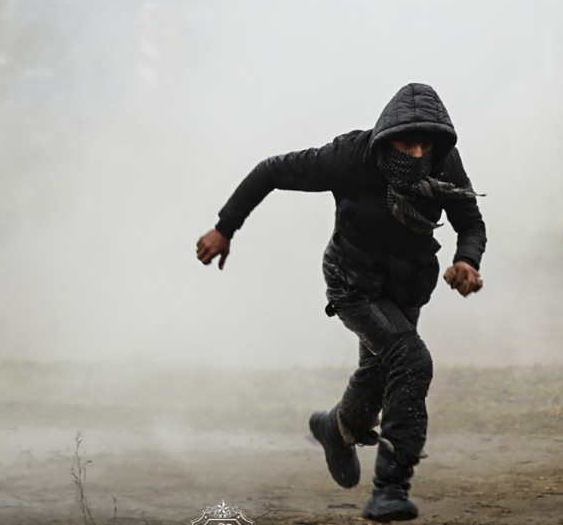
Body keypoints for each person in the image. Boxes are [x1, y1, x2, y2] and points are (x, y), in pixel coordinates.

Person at [195, 82, 486, 523]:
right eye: (406, 143)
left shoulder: (443, 163)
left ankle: (336, 429)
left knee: (379, 370)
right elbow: (271, 172)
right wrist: (224, 228)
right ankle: (390, 488)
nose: (416, 154)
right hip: (352, 282)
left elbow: (470, 221)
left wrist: (466, 260)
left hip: (406, 283)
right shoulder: (349, 157)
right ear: (386, 139)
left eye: (424, 144)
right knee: (410, 359)